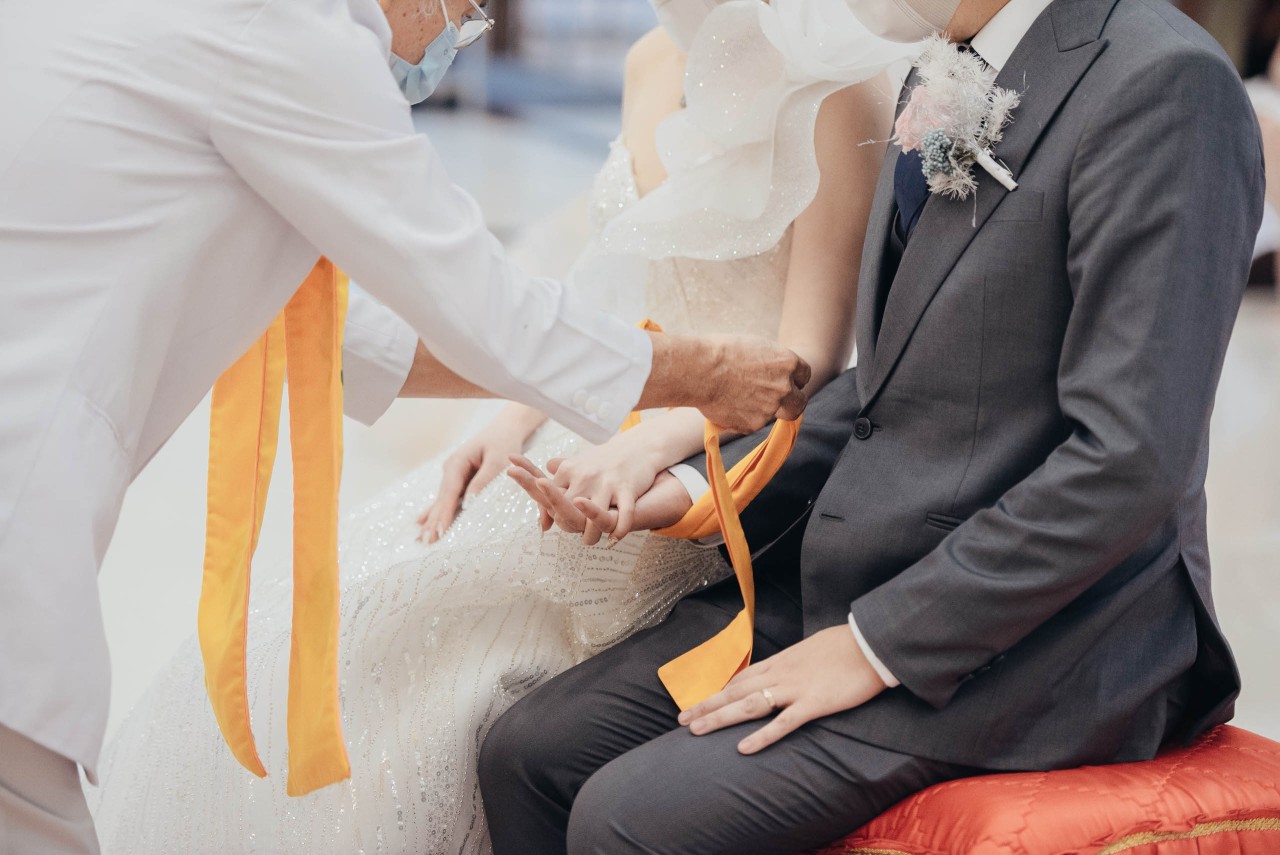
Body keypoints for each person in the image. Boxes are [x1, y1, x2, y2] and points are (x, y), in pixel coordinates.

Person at [86, 1, 912, 852]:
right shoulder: (650, 61)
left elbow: (800, 365)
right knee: (344, 620)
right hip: (603, 411)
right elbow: (605, 287)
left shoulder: (838, 86)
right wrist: (511, 415)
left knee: (429, 672)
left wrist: (649, 438)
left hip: (706, 458)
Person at [487, 0, 1265, 851]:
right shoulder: (947, 61)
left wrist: (872, 645)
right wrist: (686, 486)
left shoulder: (1166, 85)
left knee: (626, 817)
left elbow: (1128, 459)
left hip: (1049, 637)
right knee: (529, 753)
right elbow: (884, 386)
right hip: (863, 567)